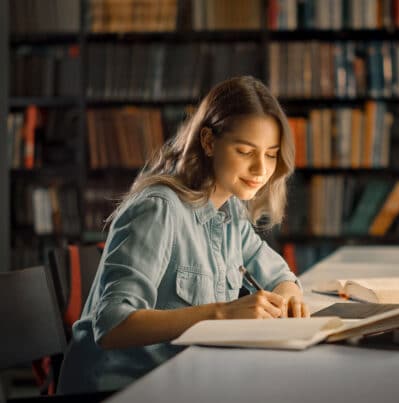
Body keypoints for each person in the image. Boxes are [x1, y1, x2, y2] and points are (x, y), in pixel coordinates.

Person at [57, 76, 309, 394]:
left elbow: (280, 276)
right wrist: (222, 314)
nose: (261, 168)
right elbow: (111, 326)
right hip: (117, 389)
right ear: (208, 141)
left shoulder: (230, 211)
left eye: (271, 154)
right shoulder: (158, 209)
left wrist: (288, 299)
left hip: (182, 380)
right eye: (245, 151)